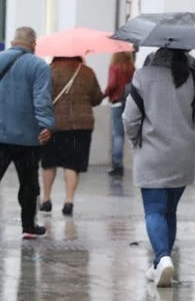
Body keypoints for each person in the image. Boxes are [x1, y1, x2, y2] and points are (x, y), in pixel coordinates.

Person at [124, 48, 195, 288]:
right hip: (183, 154)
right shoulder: (193, 73)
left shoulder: (143, 75)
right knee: (169, 211)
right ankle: (159, 264)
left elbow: (129, 118)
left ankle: (162, 258)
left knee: (154, 210)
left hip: (151, 153)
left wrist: (135, 140)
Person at [0, 27, 55, 240]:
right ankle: (28, 226)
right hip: (28, 137)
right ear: (33, 44)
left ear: (13, 41)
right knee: (29, 184)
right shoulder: (38, 66)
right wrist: (46, 125)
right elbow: (41, 98)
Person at [39, 56, 105, 216]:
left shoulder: (48, 70)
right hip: (80, 125)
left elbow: (41, 96)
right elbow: (97, 98)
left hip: (54, 123)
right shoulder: (87, 72)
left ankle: (46, 199)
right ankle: (69, 202)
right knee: (72, 164)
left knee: (49, 162)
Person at [104, 50, 136, 177]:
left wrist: (105, 93)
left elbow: (112, 84)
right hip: (128, 102)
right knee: (123, 133)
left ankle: (117, 164)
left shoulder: (114, 67)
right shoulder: (131, 68)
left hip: (117, 102)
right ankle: (119, 164)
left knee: (117, 134)